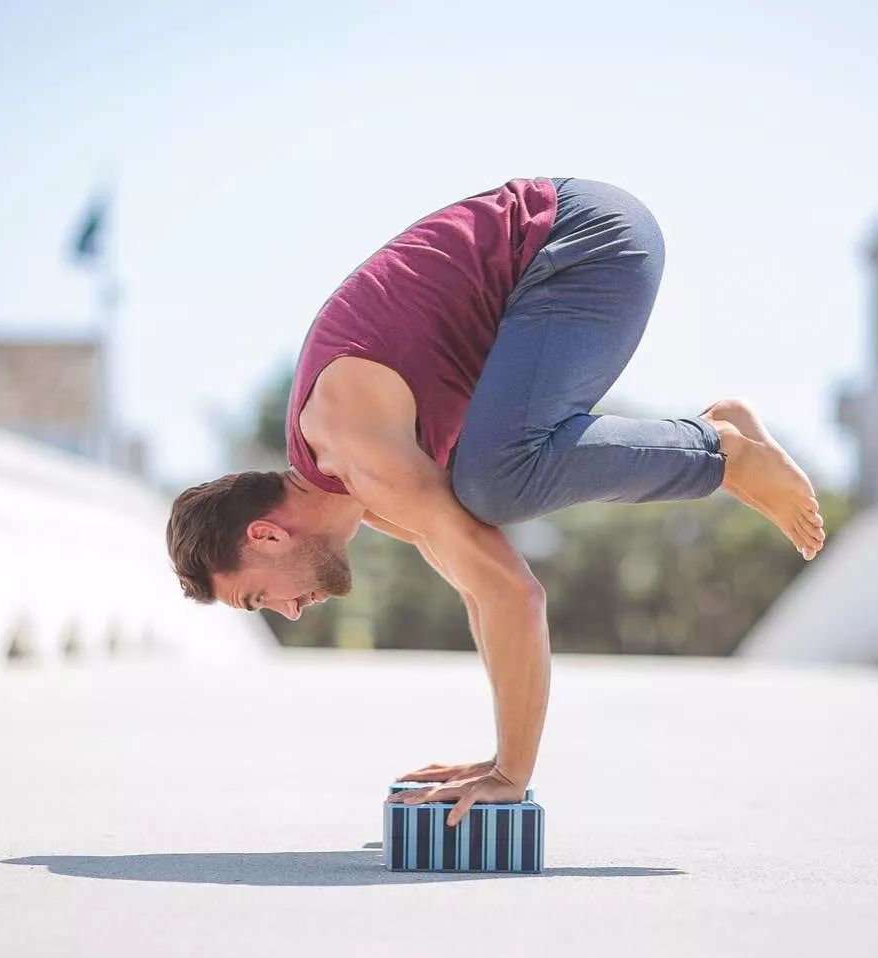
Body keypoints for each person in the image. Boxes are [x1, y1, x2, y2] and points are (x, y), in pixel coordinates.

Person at [166, 176, 825, 828]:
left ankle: (718, 448)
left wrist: (510, 772)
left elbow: (517, 594)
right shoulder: (365, 491)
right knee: (485, 492)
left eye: (259, 598)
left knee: (496, 481)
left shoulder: (362, 455)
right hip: (564, 258)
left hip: (579, 242)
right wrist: (495, 755)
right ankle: (712, 431)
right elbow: (481, 588)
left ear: (266, 535)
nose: (288, 612)